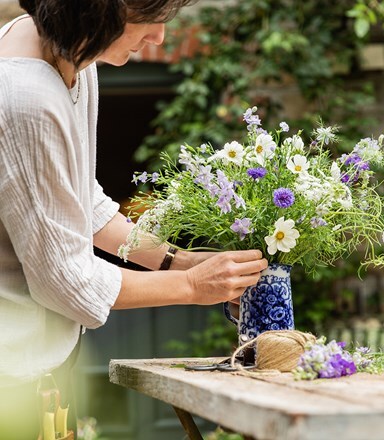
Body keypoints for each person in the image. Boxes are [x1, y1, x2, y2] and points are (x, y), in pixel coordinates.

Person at [0, 1, 268, 438]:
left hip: (38, 364)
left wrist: (179, 261)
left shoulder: (71, 54)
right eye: (149, 19)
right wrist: (192, 287)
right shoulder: (25, 98)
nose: (160, 37)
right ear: (94, 10)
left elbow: (81, 202)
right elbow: (65, 282)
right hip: (10, 376)